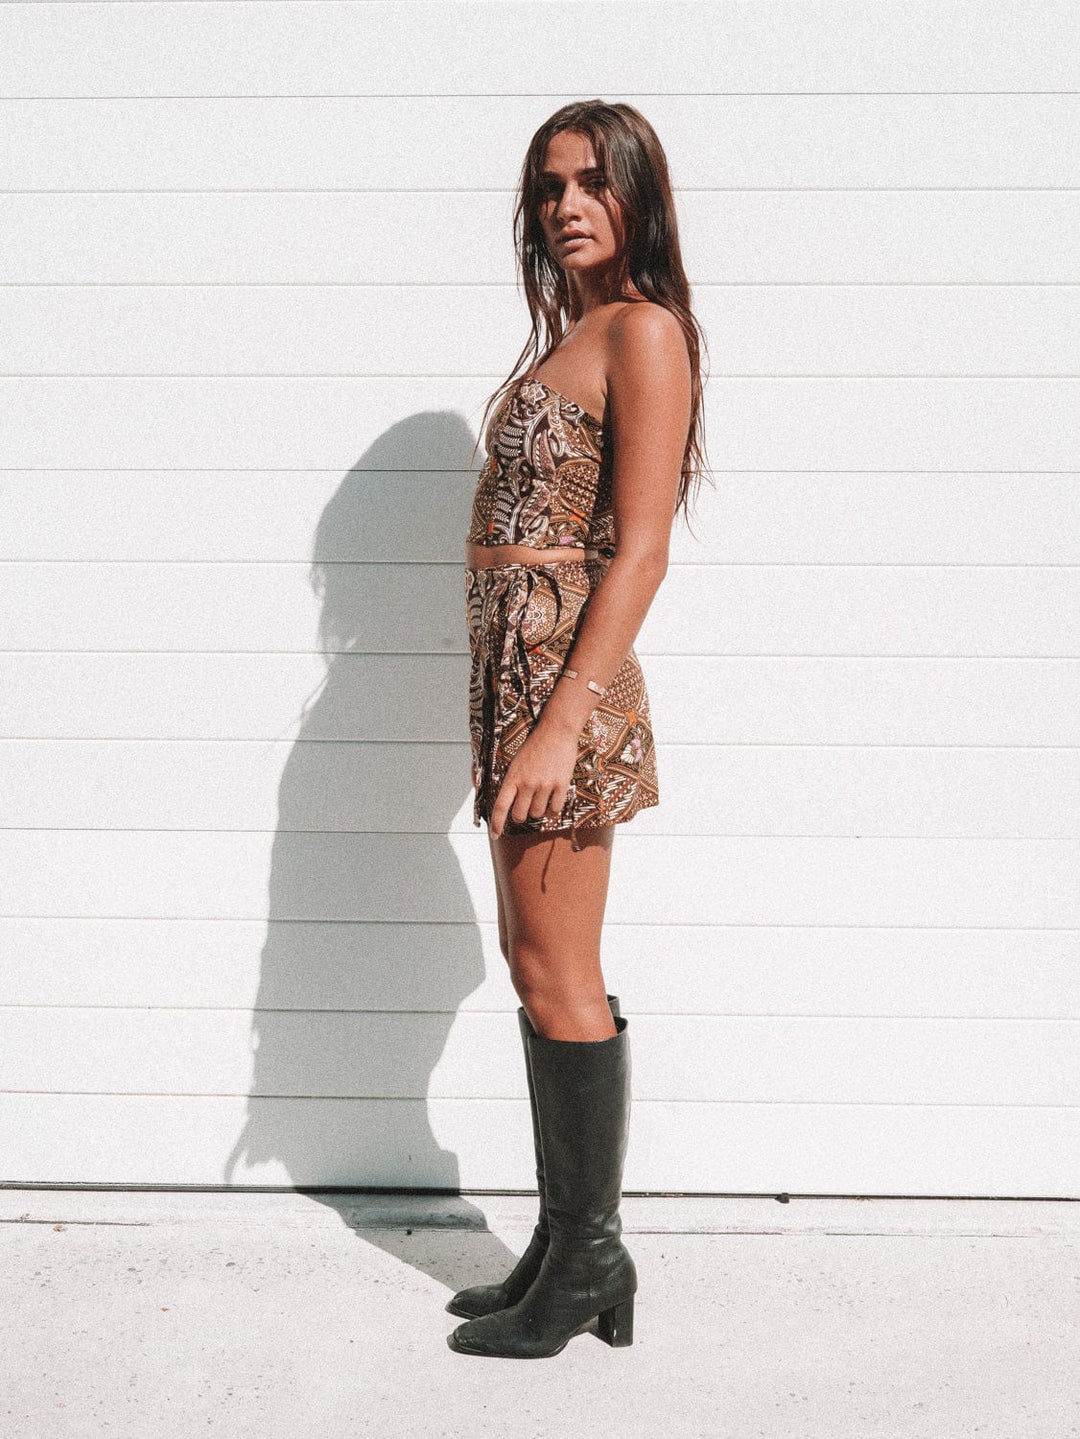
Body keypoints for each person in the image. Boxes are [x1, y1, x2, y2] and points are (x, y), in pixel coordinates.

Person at [447, 100, 709, 1359]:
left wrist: (559, 724)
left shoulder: (643, 331)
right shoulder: (575, 331)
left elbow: (642, 551)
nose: (566, 205)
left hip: (565, 688)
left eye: (593, 182)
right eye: (550, 184)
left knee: (558, 968)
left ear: (637, 195)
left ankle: (592, 1254)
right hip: (519, 678)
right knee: (531, 955)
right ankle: (568, 1243)